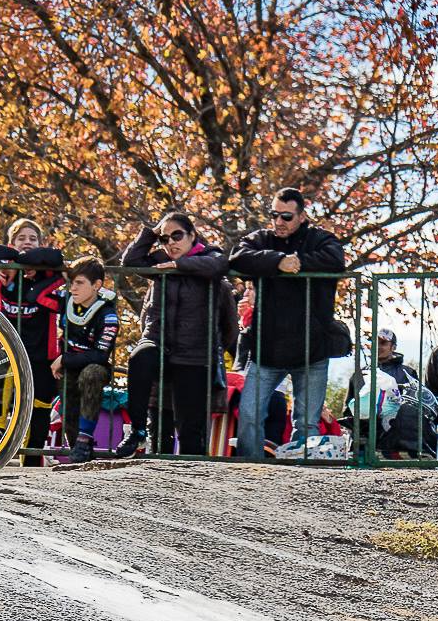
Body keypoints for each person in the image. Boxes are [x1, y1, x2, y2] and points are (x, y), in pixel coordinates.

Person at [229, 187, 346, 459]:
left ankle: (299, 475)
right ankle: (248, 469)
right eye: (274, 215)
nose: (279, 221)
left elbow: (335, 259)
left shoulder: (321, 239)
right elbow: (237, 256)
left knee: (307, 423)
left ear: (302, 216)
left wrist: (298, 263)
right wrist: (278, 261)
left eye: (286, 216)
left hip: (311, 349)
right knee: (249, 414)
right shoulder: (262, 239)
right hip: (267, 349)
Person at [116, 212, 229, 457]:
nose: (171, 243)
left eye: (177, 236)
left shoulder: (210, 256)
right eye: (165, 239)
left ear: (192, 235)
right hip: (157, 342)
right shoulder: (159, 260)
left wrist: (179, 266)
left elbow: (219, 266)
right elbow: (130, 261)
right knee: (139, 357)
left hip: (193, 354)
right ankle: (137, 431)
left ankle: (192, 475)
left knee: (189, 432)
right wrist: (152, 232)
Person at [0, 218, 65, 466]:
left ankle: (32, 459)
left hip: (42, 354)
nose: (27, 242)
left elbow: (57, 257)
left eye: (33, 238)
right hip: (11, 347)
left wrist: (29, 260)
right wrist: (17, 258)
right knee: (2, 368)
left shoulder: (49, 272)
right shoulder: (5, 272)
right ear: (11, 243)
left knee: (39, 407)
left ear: (40, 243)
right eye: (21, 238)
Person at [51, 256, 118, 464]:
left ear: (97, 285)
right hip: (68, 368)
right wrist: (60, 270)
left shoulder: (108, 315)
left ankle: (84, 439)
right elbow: (36, 296)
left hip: (94, 368)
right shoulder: (66, 301)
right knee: (67, 388)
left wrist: (64, 359)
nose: (73, 288)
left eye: (79, 283)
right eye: (71, 282)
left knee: (91, 373)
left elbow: (100, 355)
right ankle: (78, 447)